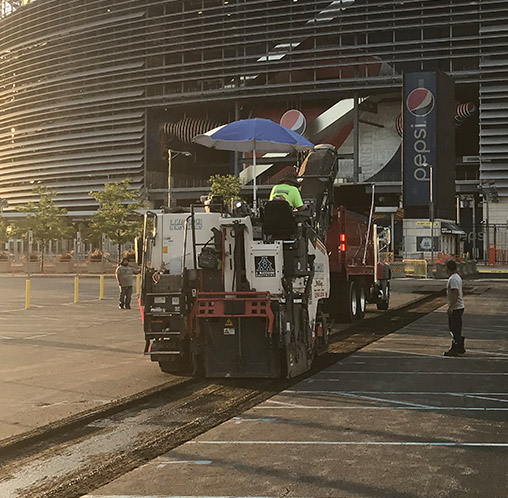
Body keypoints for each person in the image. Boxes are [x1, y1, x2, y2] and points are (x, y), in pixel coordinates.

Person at [444, 259, 465, 356]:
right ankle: (460, 347)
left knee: (453, 328)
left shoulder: (453, 279)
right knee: (457, 327)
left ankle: (455, 347)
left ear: (448, 268)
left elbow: (455, 293)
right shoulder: (457, 277)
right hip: (459, 306)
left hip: (456, 307)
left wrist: (451, 307)